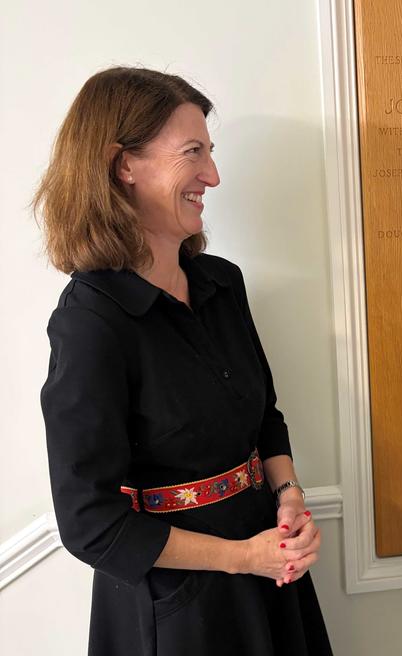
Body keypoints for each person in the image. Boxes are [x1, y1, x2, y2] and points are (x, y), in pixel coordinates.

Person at [37, 67, 332, 655]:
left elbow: (264, 416)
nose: (213, 176)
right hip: (178, 608)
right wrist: (241, 557)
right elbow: (90, 523)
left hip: (273, 569)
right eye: (192, 152)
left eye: (210, 152)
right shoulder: (90, 320)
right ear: (124, 165)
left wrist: (290, 497)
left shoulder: (221, 283)